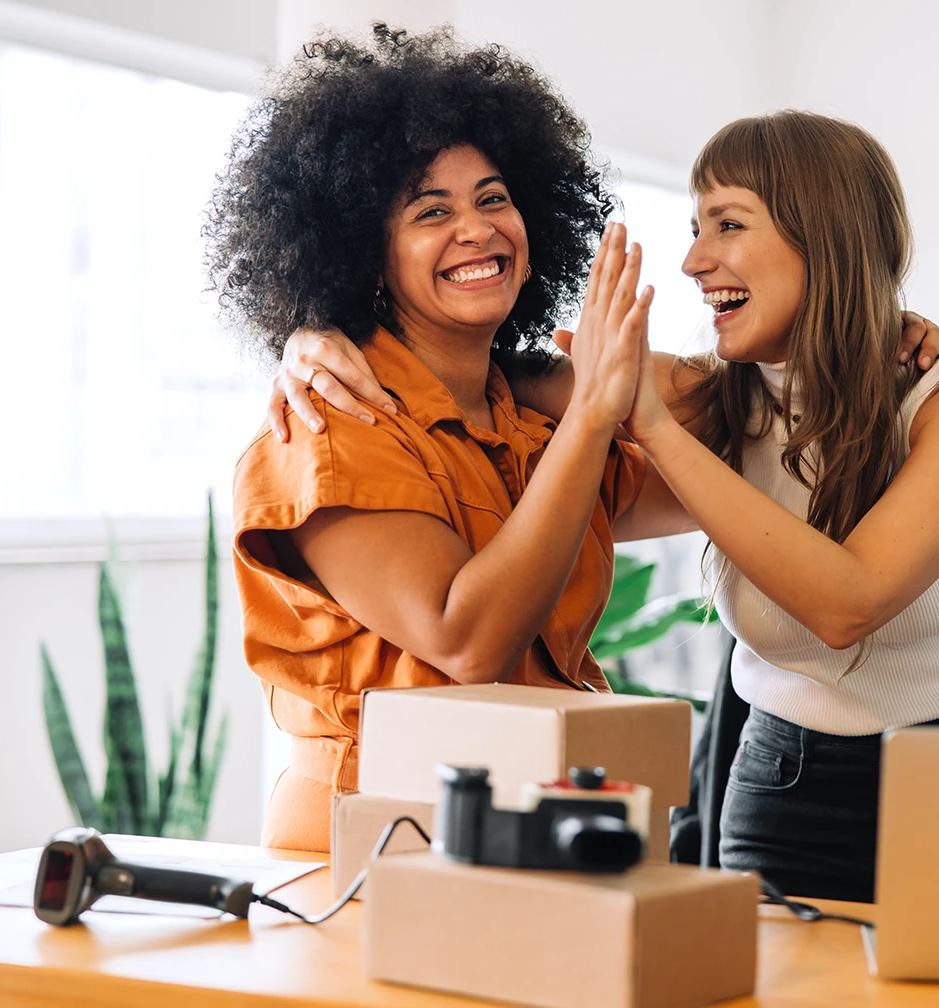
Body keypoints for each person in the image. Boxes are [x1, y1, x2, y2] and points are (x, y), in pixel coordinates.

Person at [278, 110, 939, 902]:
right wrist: (315, 331)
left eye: (726, 225)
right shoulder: (708, 396)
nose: (695, 261)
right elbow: (460, 358)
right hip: (781, 781)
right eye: (695, 227)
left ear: (828, 237)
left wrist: (652, 424)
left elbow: (850, 603)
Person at [208, 26, 686, 851]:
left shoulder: (524, 417)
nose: (475, 228)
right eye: (432, 211)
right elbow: (466, 640)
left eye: (494, 198)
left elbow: (729, 426)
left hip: (530, 827)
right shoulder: (327, 426)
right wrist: (595, 410)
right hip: (369, 844)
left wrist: (883, 340)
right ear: (363, 252)